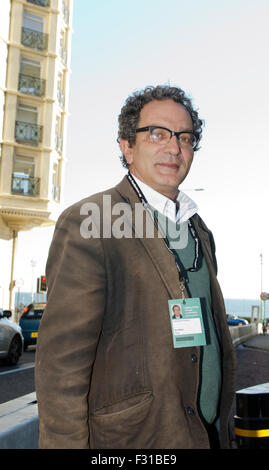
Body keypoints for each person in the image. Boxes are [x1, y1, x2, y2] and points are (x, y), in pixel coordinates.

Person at [35, 85, 237, 449]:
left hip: (206, 435)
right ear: (127, 146)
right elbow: (60, 368)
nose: (174, 148)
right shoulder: (91, 220)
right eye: (158, 134)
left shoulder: (198, 228)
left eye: (185, 138)